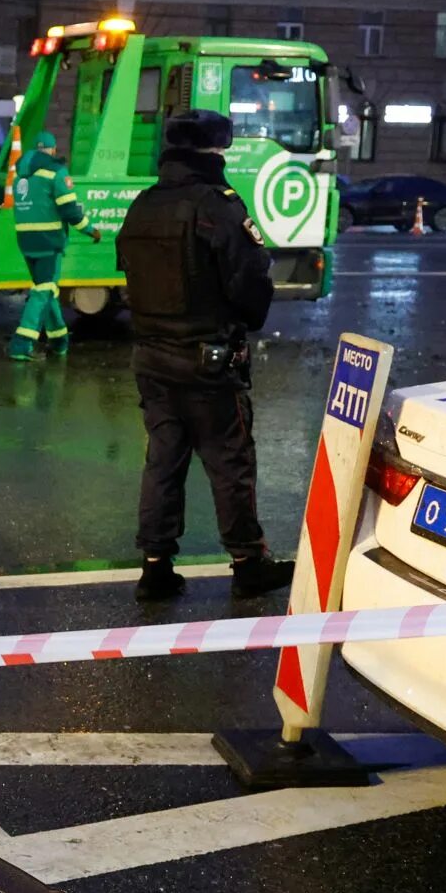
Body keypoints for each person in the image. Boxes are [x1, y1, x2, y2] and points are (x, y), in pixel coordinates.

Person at [114, 110, 295, 603]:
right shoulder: (218, 206)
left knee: (162, 463)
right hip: (207, 361)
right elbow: (251, 282)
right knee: (230, 462)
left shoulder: (143, 204)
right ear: (214, 152)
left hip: (151, 358)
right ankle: (248, 563)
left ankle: (155, 568)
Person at [8, 130, 100, 361]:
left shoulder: (20, 175)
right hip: (48, 240)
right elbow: (69, 210)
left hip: (25, 239)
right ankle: (21, 343)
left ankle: (59, 341)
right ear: (53, 150)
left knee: (47, 289)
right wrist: (90, 229)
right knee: (43, 291)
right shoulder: (56, 172)